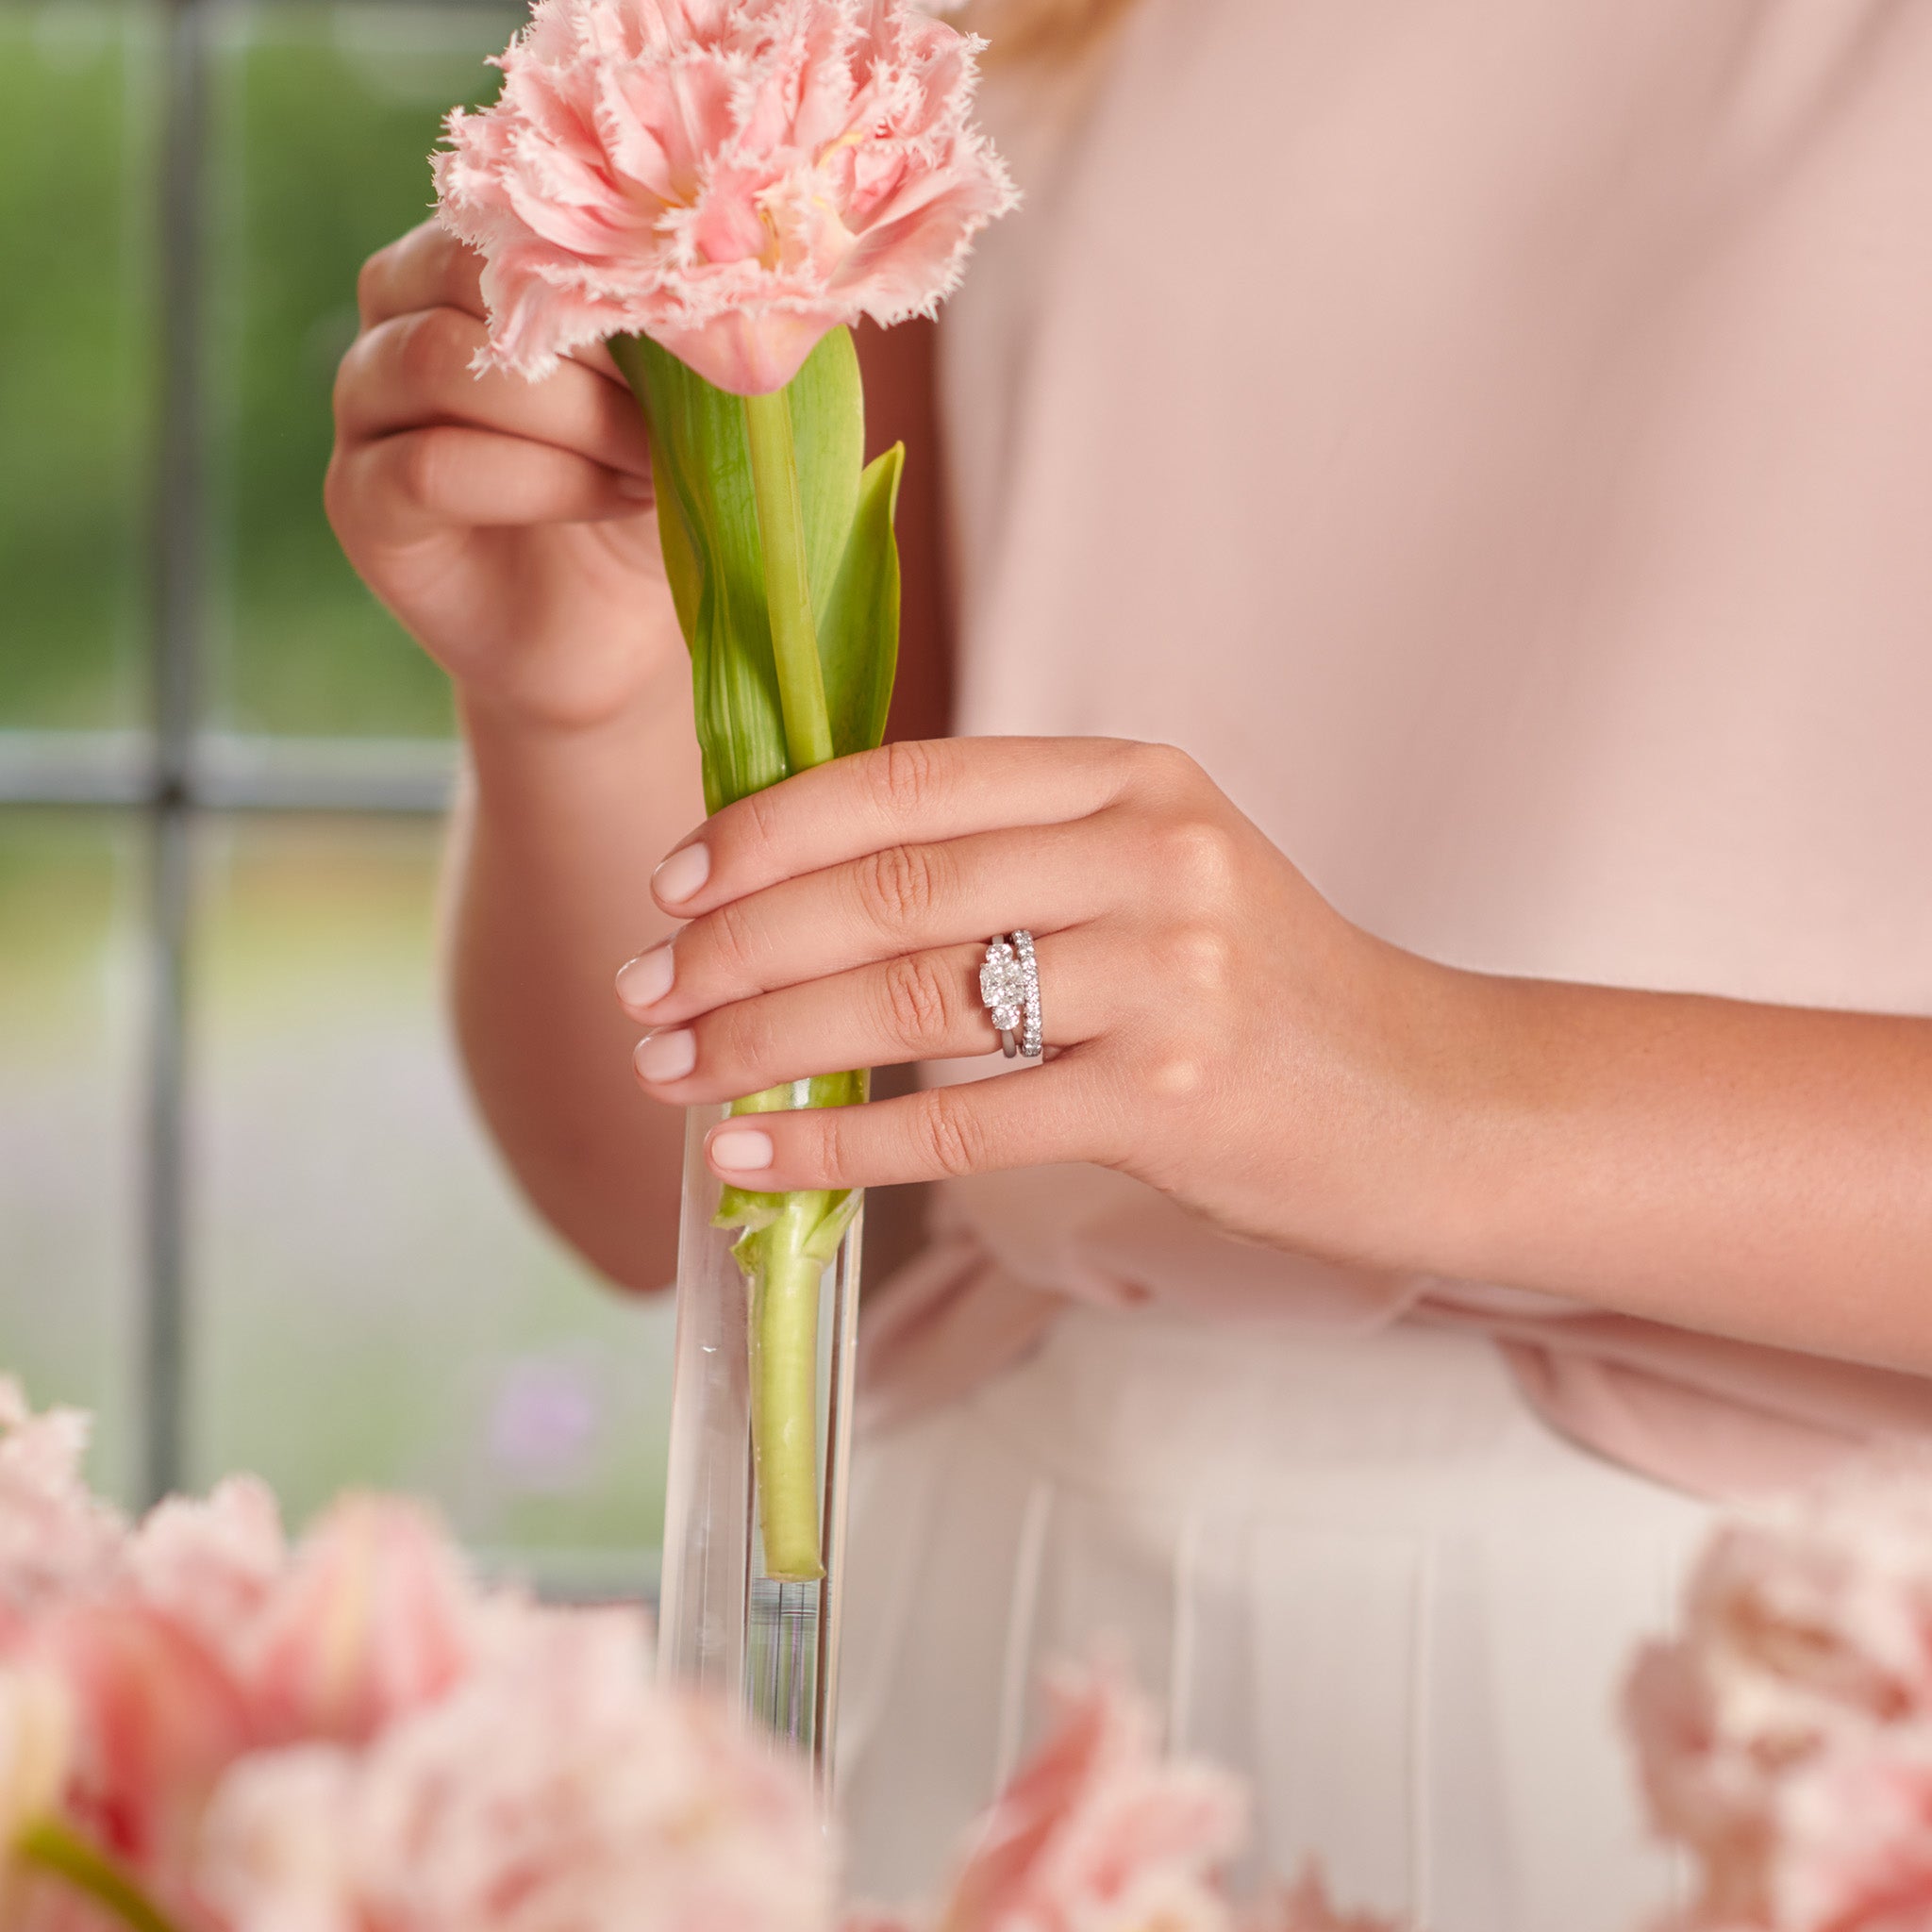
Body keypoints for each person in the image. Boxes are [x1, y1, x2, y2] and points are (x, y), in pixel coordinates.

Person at [326, 2, 1932, 1924]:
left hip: (1761, 1698)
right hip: (973, 1642)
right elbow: (661, 1185)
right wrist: (589, 703)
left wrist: (1423, 1081)